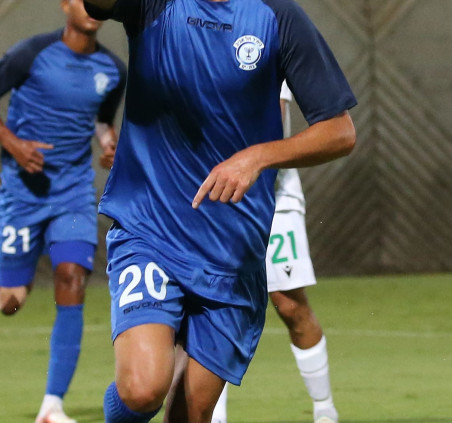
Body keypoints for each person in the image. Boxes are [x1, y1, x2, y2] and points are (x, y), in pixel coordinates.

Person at [81, 0, 357, 422]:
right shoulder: (155, 5)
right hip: (151, 229)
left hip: (233, 249)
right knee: (143, 388)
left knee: (190, 413)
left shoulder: (277, 16)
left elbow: (339, 131)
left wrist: (258, 157)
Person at [0, 1, 126, 422]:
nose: (92, 6)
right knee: (10, 302)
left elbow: (103, 122)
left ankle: (51, 406)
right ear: (64, 4)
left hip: (72, 194)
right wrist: (14, 145)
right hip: (21, 194)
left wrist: (109, 144)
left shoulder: (113, 70)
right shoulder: (30, 53)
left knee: (72, 276)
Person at [211, 82, 338, 423]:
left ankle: (325, 411)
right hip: (215, 195)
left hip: (274, 197)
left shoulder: (266, 52)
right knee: (213, 304)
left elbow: (273, 124)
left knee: (289, 303)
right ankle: (214, 417)